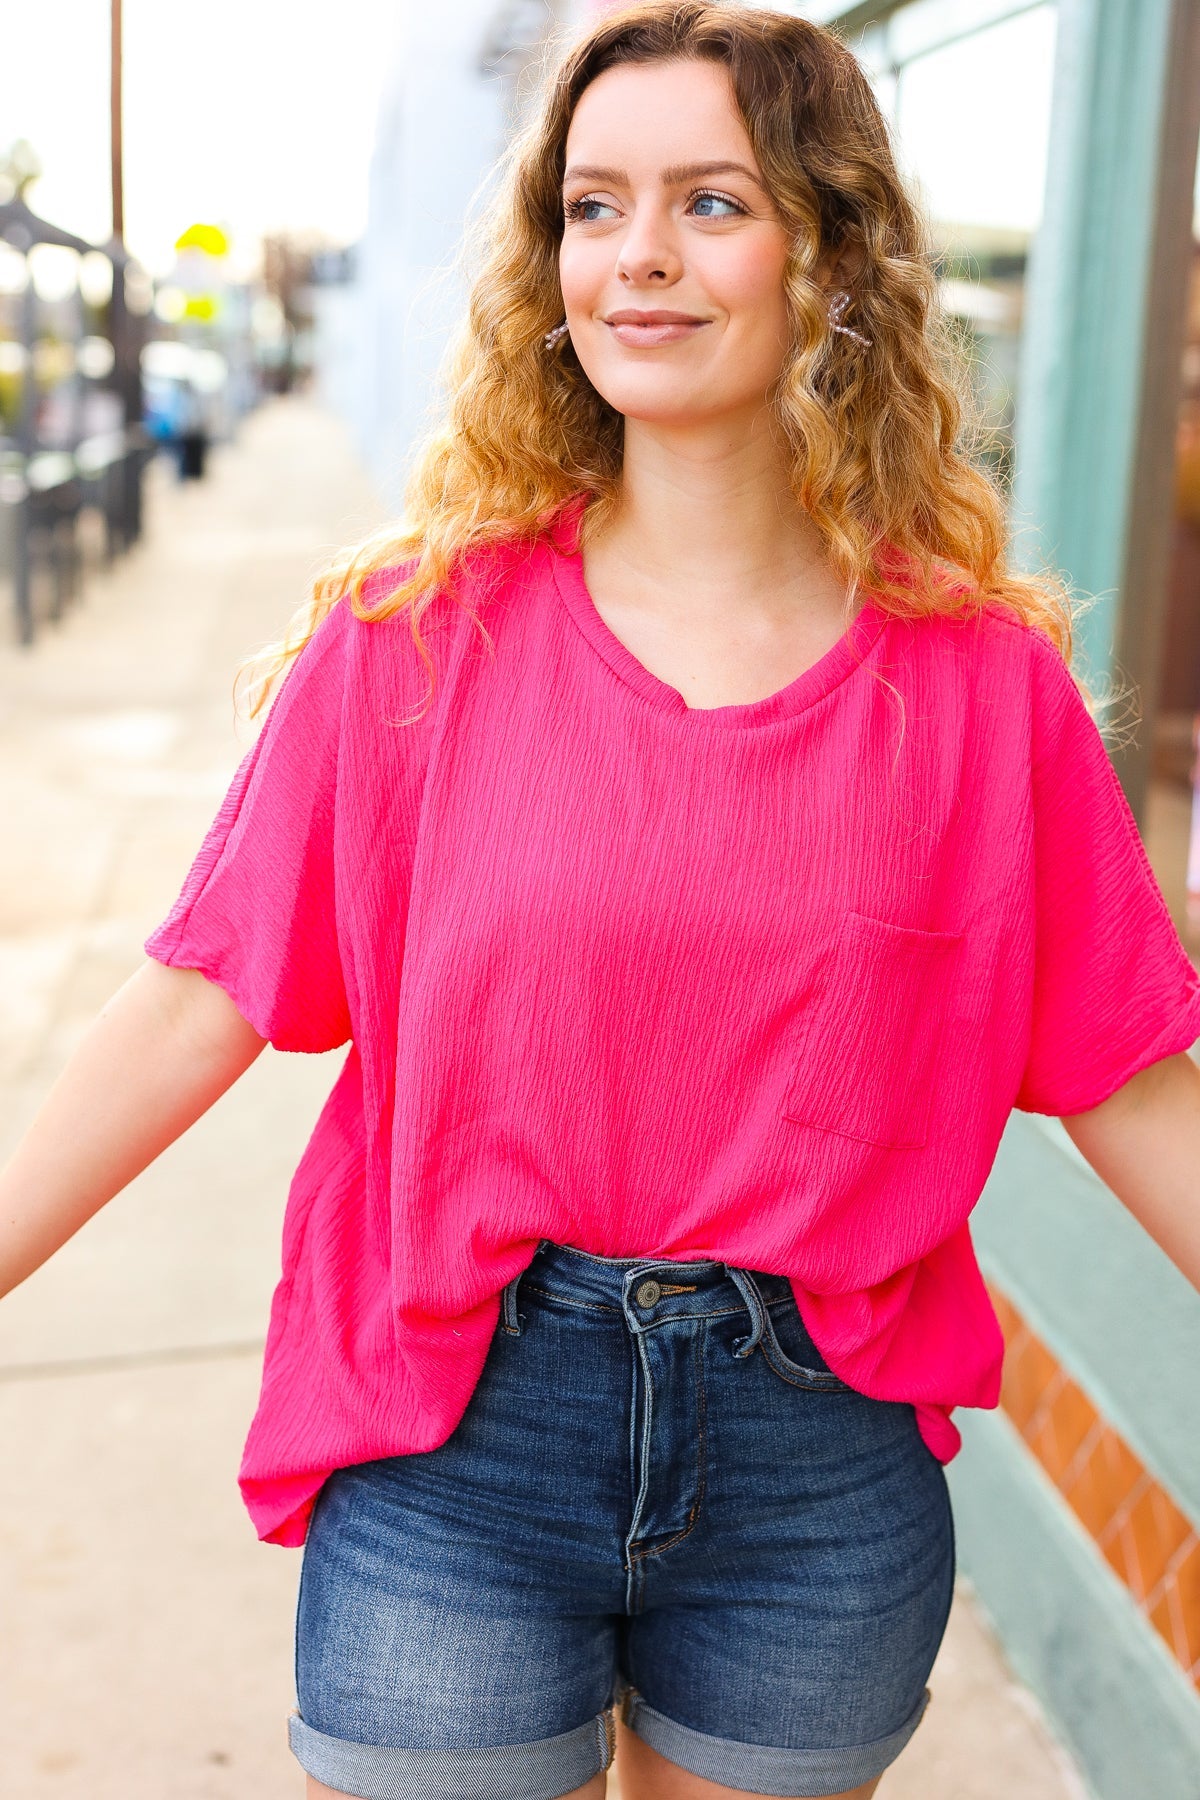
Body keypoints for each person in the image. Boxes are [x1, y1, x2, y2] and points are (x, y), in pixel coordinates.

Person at [4, 5, 1200, 1798]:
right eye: (593, 206)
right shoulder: (417, 640)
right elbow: (202, 993)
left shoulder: (979, 693)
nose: (637, 255)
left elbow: (1122, 1074)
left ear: (833, 248)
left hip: (818, 1471)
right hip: (460, 1433)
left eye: (711, 201)